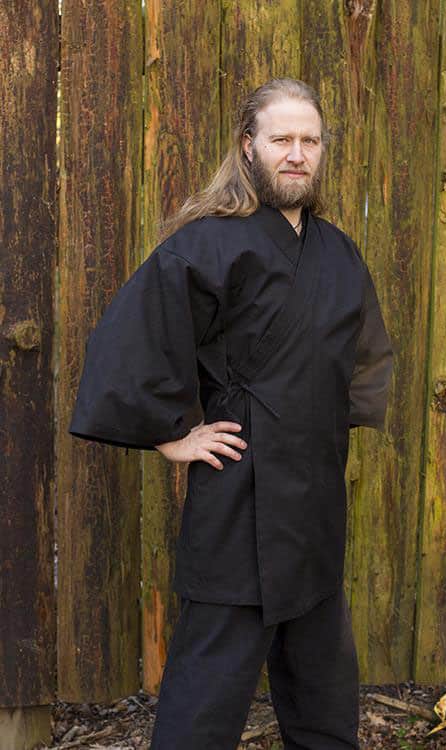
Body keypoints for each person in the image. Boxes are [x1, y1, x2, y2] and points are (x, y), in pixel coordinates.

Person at [69, 77, 394, 750]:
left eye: (310, 141)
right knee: (206, 695)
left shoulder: (337, 252)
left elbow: (356, 361)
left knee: (323, 691)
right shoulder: (209, 245)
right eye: (281, 139)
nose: (297, 154)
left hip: (315, 496)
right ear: (249, 147)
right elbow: (136, 334)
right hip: (240, 492)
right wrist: (171, 435)